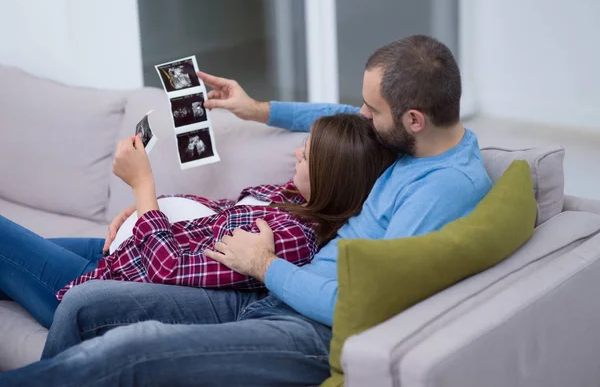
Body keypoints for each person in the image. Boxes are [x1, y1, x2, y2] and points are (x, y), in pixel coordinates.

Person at [1, 35, 493, 386]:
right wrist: (255, 108)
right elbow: (334, 118)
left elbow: (361, 305)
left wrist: (266, 265)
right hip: (272, 296)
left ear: (413, 118)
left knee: (130, 350)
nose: (358, 117)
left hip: (308, 328)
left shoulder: (441, 190)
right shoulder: (412, 142)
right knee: (87, 304)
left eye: (371, 111)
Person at [0, 114, 395, 329]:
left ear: (331, 177)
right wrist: (142, 213)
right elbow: (214, 212)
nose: (295, 153)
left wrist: (143, 188)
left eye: (306, 156)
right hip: (126, 249)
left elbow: (169, 268)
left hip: (117, 280)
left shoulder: (289, 239)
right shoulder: (289, 197)